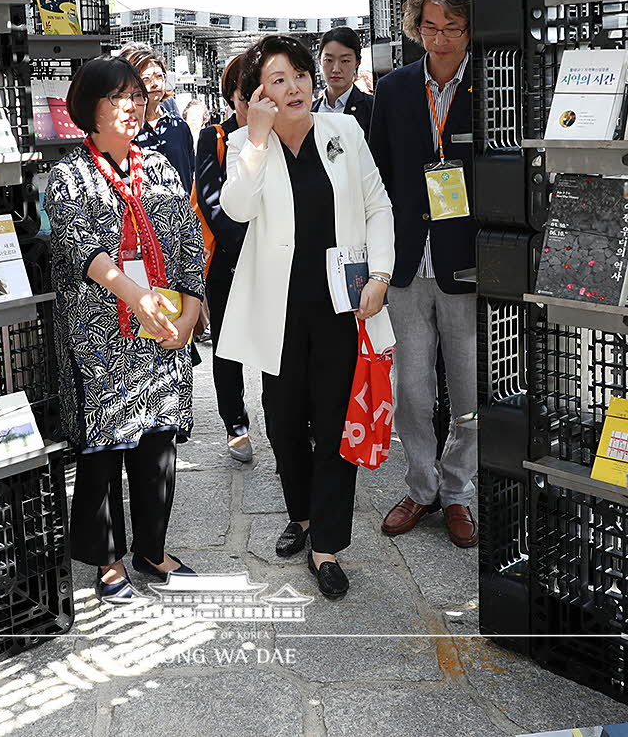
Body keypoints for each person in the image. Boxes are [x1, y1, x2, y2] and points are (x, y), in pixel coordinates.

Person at [219, 36, 395, 600]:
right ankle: (300, 515)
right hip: (280, 311)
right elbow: (237, 208)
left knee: (335, 423)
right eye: (277, 79)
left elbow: (377, 205)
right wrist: (257, 137)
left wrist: (382, 275)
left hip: (342, 307)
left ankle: (328, 544)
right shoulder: (249, 146)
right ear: (257, 95)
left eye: (299, 74)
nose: (294, 86)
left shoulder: (343, 132)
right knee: (284, 421)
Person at [44, 56, 206, 603]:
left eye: (136, 95)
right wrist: (135, 296)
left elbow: (187, 240)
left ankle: (153, 549)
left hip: (160, 332)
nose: (132, 105)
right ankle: (107, 557)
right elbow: (82, 250)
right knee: (104, 450)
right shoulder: (68, 177)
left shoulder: (159, 166)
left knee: (157, 444)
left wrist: (190, 312)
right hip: (101, 337)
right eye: (118, 98)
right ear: (88, 109)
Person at [368, 0, 480, 549]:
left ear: (471, 30)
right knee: (412, 391)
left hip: (467, 265)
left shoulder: (493, 86)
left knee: (469, 392)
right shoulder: (391, 90)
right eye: (429, 27)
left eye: (453, 29)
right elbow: (378, 182)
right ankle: (421, 487)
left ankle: (458, 492)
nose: (439, 39)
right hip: (409, 264)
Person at [194, 53, 253, 464]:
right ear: (231, 94)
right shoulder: (213, 136)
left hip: (276, 255)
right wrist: (242, 244)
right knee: (228, 345)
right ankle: (235, 425)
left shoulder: (286, 131)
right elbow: (211, 201)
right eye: (244, 93)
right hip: (227, 258)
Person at [117, 43, 196, 192]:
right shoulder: (124, 128)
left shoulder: (178, 126)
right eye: (146, 78)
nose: (155, 84)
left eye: (160, 76)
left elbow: (190, 174)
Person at [312, 26, 374, 133]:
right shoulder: (310, 111)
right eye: (329, 60)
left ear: (357, 63)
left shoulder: (373, 108)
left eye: (345, 61)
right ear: (320, 61)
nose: (336, 69)